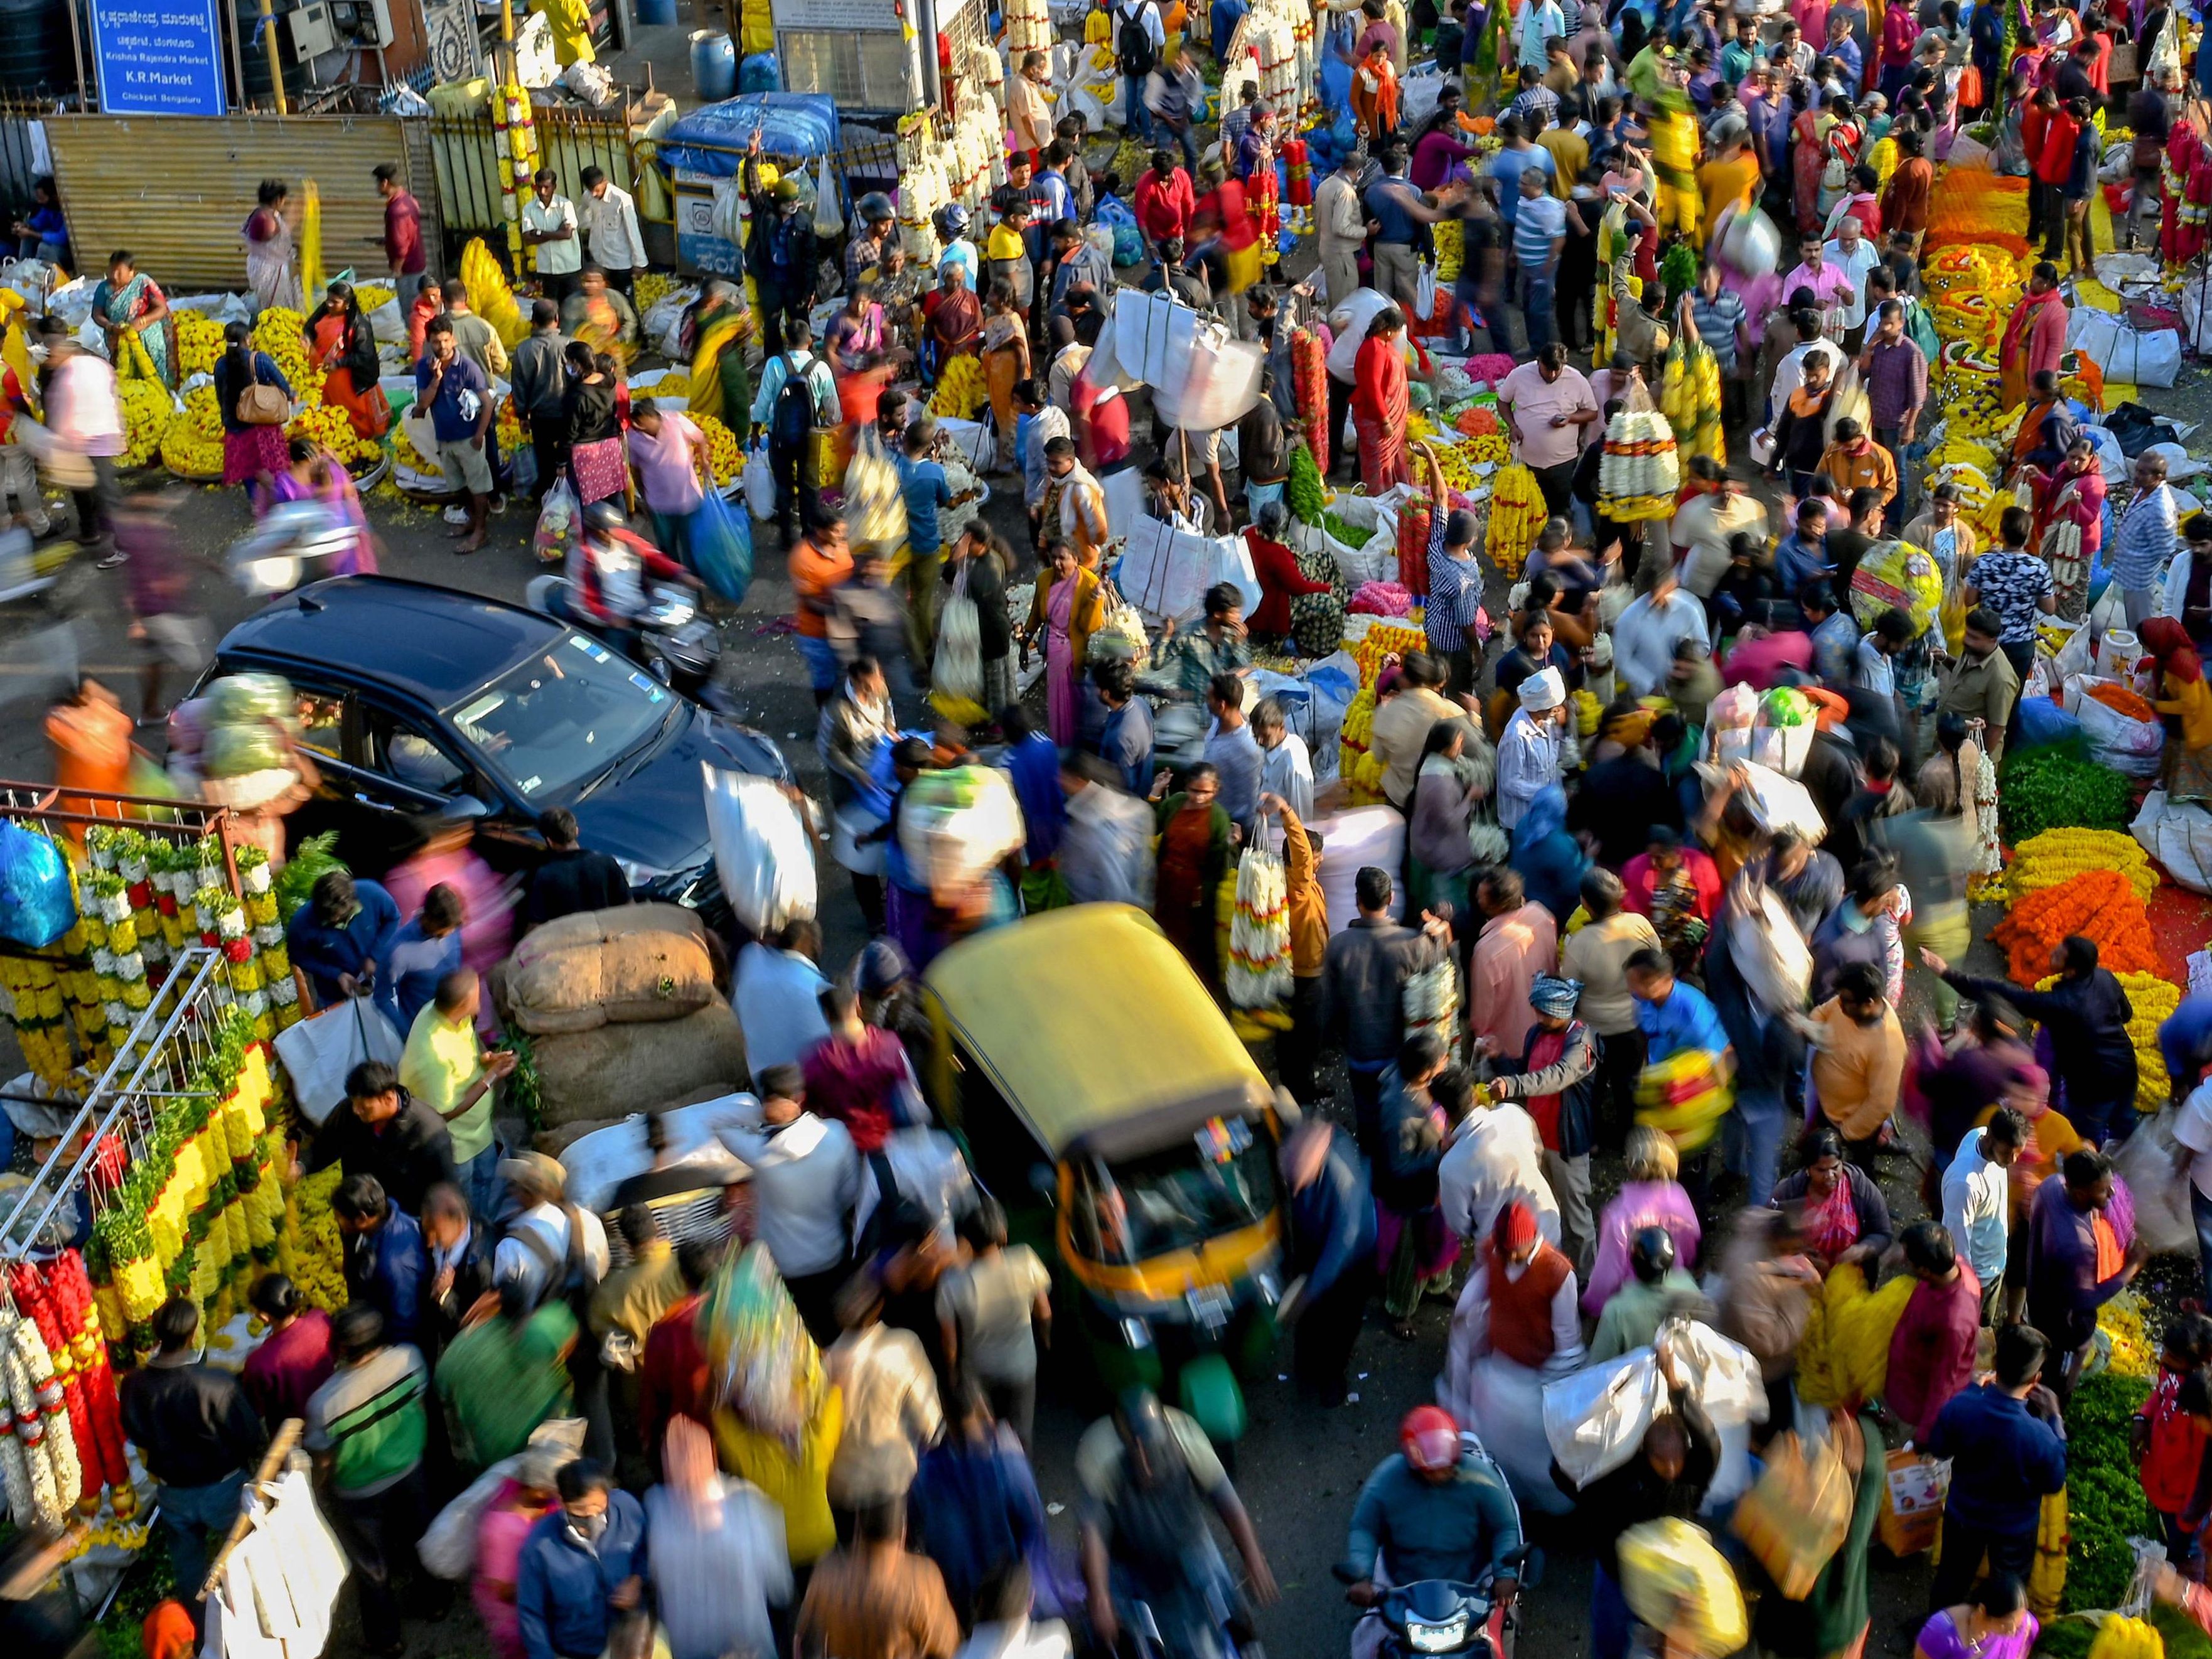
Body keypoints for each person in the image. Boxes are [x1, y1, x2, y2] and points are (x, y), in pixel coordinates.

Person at [1078, 1389, 1276, 1658]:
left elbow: (1228, 1502)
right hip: (1128, 1559)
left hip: (1191, 1542)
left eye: (1154, 1452)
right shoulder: (1098, 1454)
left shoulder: (1187, 1438)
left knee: (1235, 1615)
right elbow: (1094, 1534)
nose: (1147, 1466)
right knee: (1124, 1640)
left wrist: (1253, 1556)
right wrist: (1100, 1597)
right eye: (1139, 1455)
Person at [1559, 1336, 1721, 1659]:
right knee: (1612, 1642)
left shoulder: (1692, 1470)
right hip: (1625, 1577)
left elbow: (1710, 1442)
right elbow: (1568, 1476)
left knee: (1659, 1643)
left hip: (1663, 1576)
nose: (1673, 1472)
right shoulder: (1619, 1476)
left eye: (1678, 1465)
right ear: (1646, 1453)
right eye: (1664, 1465)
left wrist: (1677, 1388)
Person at [304, 1304, 429, 1657]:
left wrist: (322, 1487)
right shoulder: (410, 1360)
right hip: (409, 1470)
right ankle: (435, 1600)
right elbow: (418, 1408)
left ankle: (386, 1639)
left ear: (341, 1348)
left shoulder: (325, 1403)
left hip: (359, 1492)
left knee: (371, 1565)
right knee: (420, 1537)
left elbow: (324, 1459)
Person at [117, 1297, 266, 1596]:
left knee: (190, 1575)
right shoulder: (216, 1383)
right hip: (224, 1489)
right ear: (193, 1332)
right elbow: (251, 1436)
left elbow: (136, 1433)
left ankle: (199, 1633)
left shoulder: (134, 1385)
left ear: (157, 1334)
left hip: (173, 1494)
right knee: (246, 1558)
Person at [1925, 938, 2139, 1146]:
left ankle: (2091, 1170)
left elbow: (2003, 994)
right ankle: (2128, 1154)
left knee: (2082, 1136)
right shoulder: (2104, 978)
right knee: (2125, 1122)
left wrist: (1947, 973)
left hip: (2094, 1087)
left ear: (2072, 970)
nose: (2052, 952)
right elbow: (2126, 1014)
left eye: (2059, 954)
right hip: (2127, 1068)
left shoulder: (2060, 1004)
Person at [1925, 1324, 2068, 1608]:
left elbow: (1939, 1448)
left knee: (1951, 1580)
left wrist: (1971, 1390)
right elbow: (2054, 1482)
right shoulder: (2042, 1438)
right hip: (2014, 1530)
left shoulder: (1961, 1407)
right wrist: (2056, 1418)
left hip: (1963, 1515)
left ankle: (1938, 1633)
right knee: (2007, 1592)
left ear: (1995, 1365)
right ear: (2036, 1379)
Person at [1343, 1405, 1523, 1621]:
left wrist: (1504, 1574)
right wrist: (1361, 1575)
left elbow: (1504, 1526)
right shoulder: (1387, 1480)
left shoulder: (1481, 1478)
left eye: (1447, 1467)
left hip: (1471, 1583)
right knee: (1367, 1645)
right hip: (1402, 1585)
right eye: (1433, 1470)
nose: (1441, 1475)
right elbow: (1365, 1528)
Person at [1319, 867, 1449, 1151]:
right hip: (1402, 1055)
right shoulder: (1415, 943)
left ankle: (1372, 1170)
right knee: (1403, 1121)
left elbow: (1328, 1007)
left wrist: (1328, 1043)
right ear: (1390, 898)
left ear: (1358, 901)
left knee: (1366, 1119)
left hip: (1360, 1052)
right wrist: (1439, 938)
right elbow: (1440, 989)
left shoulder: (1338, 947)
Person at [645, 1416, 792, 1659]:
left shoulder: (748, 1504)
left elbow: (780, 1588)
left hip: (749, 1650)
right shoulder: (655, 1508)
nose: (684, 1462)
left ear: (711, 1453)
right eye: (673, 1453)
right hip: (686, 1651)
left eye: (691, 1451)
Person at [1277, 1111, 1377, 1407]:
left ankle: (1332, 1374)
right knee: (1310, 1321)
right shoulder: (1299, 1151)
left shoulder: (1343, 1183)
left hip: (1352, 1260)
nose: (1295, 1189)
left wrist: (1308, 1292)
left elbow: (1341, 1246)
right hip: (1315, 1240)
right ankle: (1307, 1365)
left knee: (1340, 1323)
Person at [934, 1199, 1051, 1449]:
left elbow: (950, 1343)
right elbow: (1044, 1311)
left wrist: (954, 1375)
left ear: (968, 1242)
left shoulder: (951, 1284)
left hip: (980, 1370)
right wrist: (1046, 1341)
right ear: (1004, 1236)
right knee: (1020, 1434)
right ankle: (1020, 1477)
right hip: (1022, 1366)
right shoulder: (1026, 1261)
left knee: (985, 1435)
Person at [438, 1280, 580, 1474]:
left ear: (491, 1298)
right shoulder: (543, 1327)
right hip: (553, 1440)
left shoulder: (452, 1358)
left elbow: (447, 1397)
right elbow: (570, 1334)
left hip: (501, 1460)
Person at [515, 1460, 647, 1659]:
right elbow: (531, 1612)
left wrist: (637, 1579)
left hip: (630, 1639)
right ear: (561, 1501)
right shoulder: (540, 1547)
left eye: (598, 1506)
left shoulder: (627, 1509)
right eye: (581, 1509)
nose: (591, 1516)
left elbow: (644, 1549)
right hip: (578, 1649)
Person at [306, 1060, 461, 1219]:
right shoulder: (352, 1113)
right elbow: (325, 1144)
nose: (356, 1110)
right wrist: (301, 1166)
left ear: (388, 1099)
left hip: (405, 1221)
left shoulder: (428, 1130)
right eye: (354, 1104)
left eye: (363, 1107)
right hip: (359, 1214)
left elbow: (445, 1188)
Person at [1885, 1220, 1984, 1444]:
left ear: (1925, 1271)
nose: (1905, 1262)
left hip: (1917, 1399)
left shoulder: (1953, 1323)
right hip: (1906, 1376)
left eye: (1909, 1259)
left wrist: (1924, 1436)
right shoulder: (1957, 1266)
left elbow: (1943, 1384)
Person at [1942, 1107, 2029, 1322]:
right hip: (1978, 1278)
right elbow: (1958, 1247)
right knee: (1975, 1332)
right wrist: (1968, 1291)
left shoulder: (1977, 1135)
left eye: (2018, 1153)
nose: (2014, 1160)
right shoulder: (1965, 1184)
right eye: (2009, 1152)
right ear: (1990, 1138)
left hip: (1995, 1262)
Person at [416, 315, 493, 553]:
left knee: (478, 488)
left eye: (446, 340)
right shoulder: (424, 367)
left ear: (454, 339)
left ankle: (480, 532)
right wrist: (436, 380)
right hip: (445, 437)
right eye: (437, 342)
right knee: (458, 488)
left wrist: (479, 436)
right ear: (429, 342)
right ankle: (471, 521)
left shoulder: (467, 367)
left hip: (469, 438)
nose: (442, 346)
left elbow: (488, 404)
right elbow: (423, 405)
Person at [1771, 1124, 1896, 1267]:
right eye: (1821, 1170)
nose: (1830, 1176)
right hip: (1802, 1274)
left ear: (1842, 1162)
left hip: (1850, 1275)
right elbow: (1769, 1234)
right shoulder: (1788, 1193)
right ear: (1808, 1170)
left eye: (1835, 1168)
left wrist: (1863, 1249)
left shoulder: (1860, 1188)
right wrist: (1801, 1256)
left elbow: (1883, 1233)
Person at [1499, 343, 1599, 513]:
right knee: (1525, 508)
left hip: (1562, 463)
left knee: (1560, 507)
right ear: (1539, 362)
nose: (1552, 375)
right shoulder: (1519, 375)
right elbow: (1503, 402)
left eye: (1557, 371)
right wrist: (1513, 426)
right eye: (1548, 370)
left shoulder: (1577, 380)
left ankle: (1559, 536)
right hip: (1526, 460)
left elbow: (1592, 413)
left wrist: (1570, 418)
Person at [332, 1173, 428, 1345]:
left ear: (362, 1218)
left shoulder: (393, 1264)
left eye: (340, 1216)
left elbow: (405, 1323)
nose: (337, 1220)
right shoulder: (385, 1223)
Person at [240, 1273, 333, 1430]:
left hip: (292, 1435)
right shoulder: (320, 1319)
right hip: (331, 1413)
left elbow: (255, 1408)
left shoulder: (260, 1363)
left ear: (264, 1317)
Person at [521, 807, 629, 930]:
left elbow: (536, 926)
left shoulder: (545, 875)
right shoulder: (606, 862)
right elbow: (628, 906)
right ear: (576, 831)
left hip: (572, 943)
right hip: (607, 936)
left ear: (550, 842)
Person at [92, 249, 176, 388]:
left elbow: (161, 308)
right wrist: (110, 326)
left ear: (131, 272)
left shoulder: (143, 282)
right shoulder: (104, 288)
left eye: (119, 272)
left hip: (147, 334)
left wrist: (143, 321)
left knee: (151, 372)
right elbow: (97, 314)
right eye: (111, 270)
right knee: (125, 375)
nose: (114, 275)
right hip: (118, 337)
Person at [1914, 1576, 2040, 1659]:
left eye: (2017, 1627)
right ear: (1982, 1611)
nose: (2013, 1633)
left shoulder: (2026, 1626)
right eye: (2006, 1625)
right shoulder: (1940, 1632)